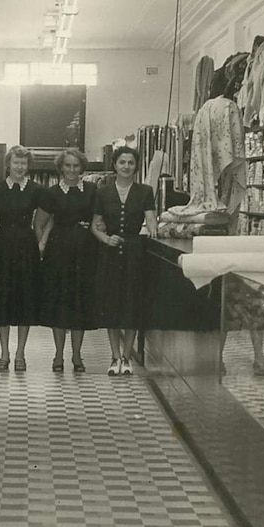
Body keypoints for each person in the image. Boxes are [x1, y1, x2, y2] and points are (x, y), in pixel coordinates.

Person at [91, 146, 158, 376]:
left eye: (130, 162)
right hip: (110, 254)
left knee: (131, 305)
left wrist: (154, 231)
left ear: (136, 166)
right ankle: (114, 356)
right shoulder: (103, 191)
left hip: (135, 254)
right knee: (112, 306)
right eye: (122, 162)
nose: (126, 166)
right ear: (115, 165)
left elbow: (151, 220)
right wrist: (105, 238)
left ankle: (127, 357)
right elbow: (95, 225)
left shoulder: (145, 191)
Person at [35, 148, 97, 373]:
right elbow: (39, 224)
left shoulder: (91, 190)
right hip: (58, 252)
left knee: (79, 303)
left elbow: (97, 220)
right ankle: (59, 355)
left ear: (82, 168)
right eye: (68, 166)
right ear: (61, 167)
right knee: (60, 303)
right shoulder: (51, 193)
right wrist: (41, 248)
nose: (72, 170)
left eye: (76, 166)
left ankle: (77, 356)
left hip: (84, 251)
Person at [0, 145, 43, 372]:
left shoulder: (36, 190)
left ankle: (20, 353)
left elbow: (47, 217)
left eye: (23, 163)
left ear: (28, 166)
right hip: (2, 247)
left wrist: (42, 240)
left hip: (26, 246)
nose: (19, 167)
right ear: (8, 164)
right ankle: (4, 353)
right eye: (16, 162)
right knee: (3, 301)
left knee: (25, 299)